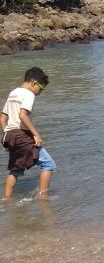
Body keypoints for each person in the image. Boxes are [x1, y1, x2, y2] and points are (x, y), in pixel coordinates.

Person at [1, 67, 56, 200]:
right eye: (41, 89)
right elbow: (22, 115)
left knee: (16, 169)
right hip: (22, 135)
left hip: (10, 135)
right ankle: (43, 196)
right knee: (48, 164)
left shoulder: (13, 92)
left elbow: (2, 118)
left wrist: (7, 134)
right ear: (33, 82)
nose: (40, 93)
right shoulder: (29, 94)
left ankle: (6, 199)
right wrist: (36, 134)